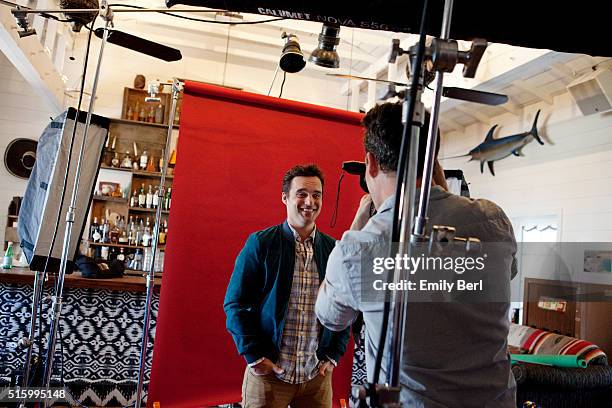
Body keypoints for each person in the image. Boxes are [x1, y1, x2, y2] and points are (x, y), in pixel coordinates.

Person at [315, 103, 517, 407]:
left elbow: (331, 316)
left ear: (370, 164)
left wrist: (358, 222)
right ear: (433, 161)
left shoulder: (358, 248)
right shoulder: (494, 220)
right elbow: (504, 273)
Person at [224, 164, 350, 408]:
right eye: (301, 193)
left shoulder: (334, 249)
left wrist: (334, 355)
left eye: (316, 195)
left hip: (316, 377)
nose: (309, 201)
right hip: (269, 375)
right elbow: (235, 303)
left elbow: (343, 308)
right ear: (285, 197)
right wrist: (254, 355)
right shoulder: (261, 243)